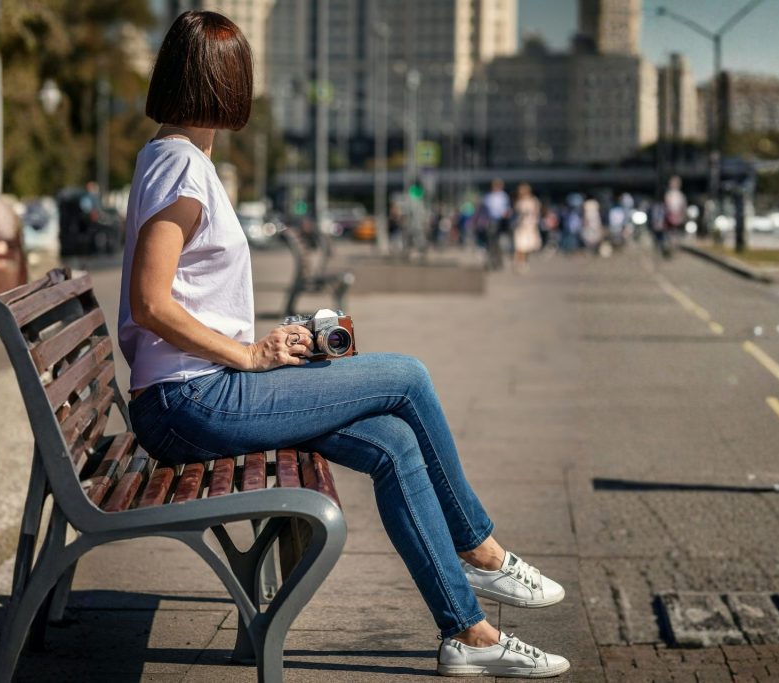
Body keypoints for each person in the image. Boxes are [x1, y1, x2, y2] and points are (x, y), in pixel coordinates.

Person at [119, 11, 569, 678]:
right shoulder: (182, 167)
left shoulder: (177, 157)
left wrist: (268, 343)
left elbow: (183, 299)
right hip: (191, 401)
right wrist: (246, 355)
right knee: (407, 376)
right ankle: (481, 551)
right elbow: (148, 302)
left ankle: (467, 635)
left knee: (394, 440)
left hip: (199, 393)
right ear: (226, 82)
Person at [475, 179, 512, 270]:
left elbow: (507, 209)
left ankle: (499, 262)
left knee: (499, 243)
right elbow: (483, 210)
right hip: (490, 222)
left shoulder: (504, 196)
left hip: (501, 222)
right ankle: (491, 261)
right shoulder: (488, 197)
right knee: (491, 242)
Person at [512, 183, 542, 273]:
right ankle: (519, 263)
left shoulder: (533, 201)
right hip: (521, 226)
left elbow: (537, 212)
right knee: (520, 246)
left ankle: (523, 262)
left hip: (530, 226)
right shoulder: (519, 202)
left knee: (528, 247)